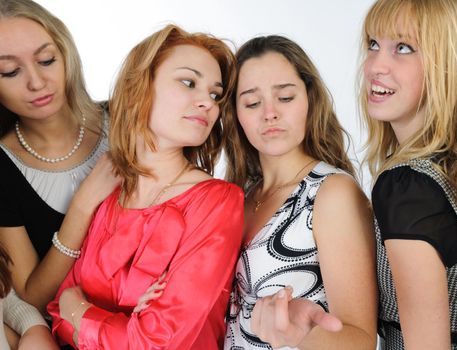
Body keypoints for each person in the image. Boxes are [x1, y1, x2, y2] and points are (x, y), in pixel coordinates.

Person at [47, 24, 244, 349]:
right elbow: (57, 313)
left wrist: (79, 309)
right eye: (188, 82)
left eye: (214, 94)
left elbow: (157, 342)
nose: (208, 104)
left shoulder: (218, 202)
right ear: (140, 87)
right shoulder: (108, 192)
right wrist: (119, 324)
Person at [223, 35, 377, 350]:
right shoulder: (240, 196)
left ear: (309, 99)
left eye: (285, 97)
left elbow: (360, 339)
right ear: (235, 114)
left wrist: (300, 332)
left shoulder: (331, 194)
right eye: (252, 102)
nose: (269, 113)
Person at [0, 0, 119, 320]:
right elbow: (33, 295)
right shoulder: (2, 167)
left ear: (66, 53)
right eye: (10, 71)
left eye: (46, 60)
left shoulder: (126, 117)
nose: (36, 82)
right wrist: (83, 205)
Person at [360, 0, 457, 349]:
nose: (376, 65)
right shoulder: (446, 170)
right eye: (373, 44)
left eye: (403, 48)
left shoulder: (407, 187)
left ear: (444, 65)